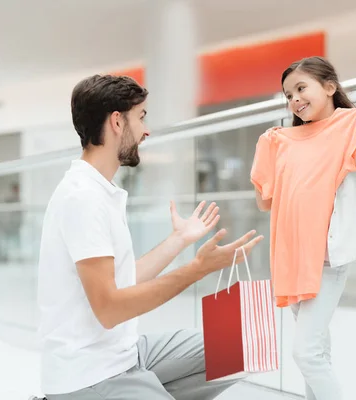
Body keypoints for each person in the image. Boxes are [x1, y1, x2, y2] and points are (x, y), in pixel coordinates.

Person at [36, 74, 263, 400]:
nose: (146, 130)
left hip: (125, 355)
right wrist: (198, 268)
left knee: (244, 344)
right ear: (117, 121)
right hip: (89, 374)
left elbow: (122, 281)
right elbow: (110, 309)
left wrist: (179, 239)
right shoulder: (82, 197)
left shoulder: (101, 191)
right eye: (141, 117)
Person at [250, 57, 356, 400]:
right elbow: (264, 202)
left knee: (306, 352)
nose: (294, 99)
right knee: (318, 349)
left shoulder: (348, 127)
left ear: (329, 87)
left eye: (301, 88)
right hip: (291, 258)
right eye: (287, 95)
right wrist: (265, 152)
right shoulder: (281, 139)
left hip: (327, 259)